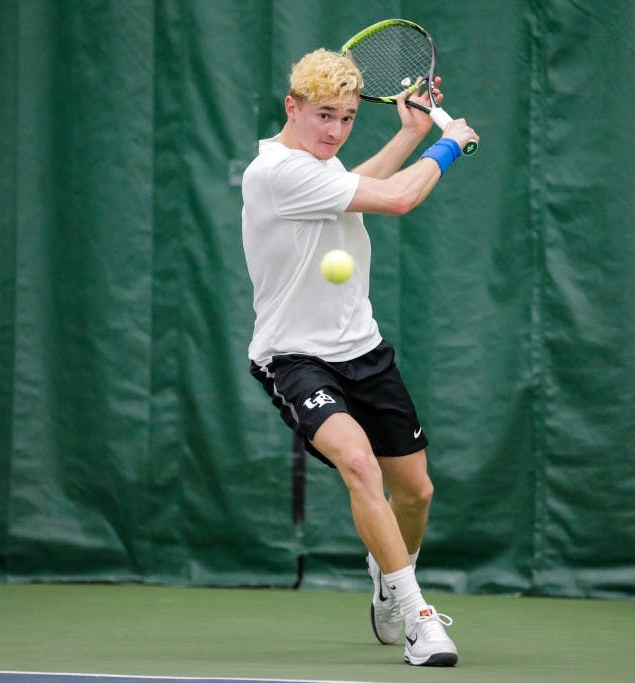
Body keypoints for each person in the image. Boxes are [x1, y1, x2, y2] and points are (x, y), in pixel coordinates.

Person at [241, 48, 478, 667]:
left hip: (364, 352)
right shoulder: (274, 172)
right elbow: (397, 199)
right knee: (358, 464)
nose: (336, 131)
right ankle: (419, 616)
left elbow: (360, 185)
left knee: (417, 493)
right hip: (295, 359)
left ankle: (387, 572)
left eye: (347, 118)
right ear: (291, 107)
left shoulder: (315, 168)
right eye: (324, 116)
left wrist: (409, 132)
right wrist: (448, 144)